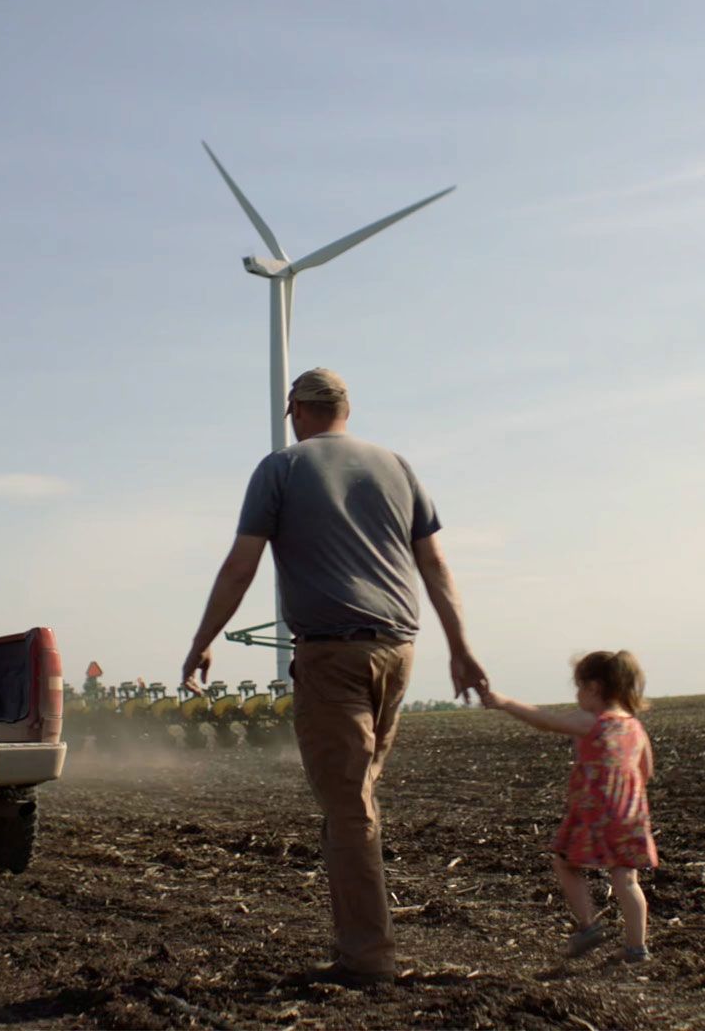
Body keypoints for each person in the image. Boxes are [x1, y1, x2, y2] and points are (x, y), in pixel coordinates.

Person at [181, 367, 487, 984]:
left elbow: (241, 565)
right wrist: (461, 647)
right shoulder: (397, 466)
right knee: (357, 795)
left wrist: (203, 641)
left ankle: (367, 959)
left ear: (295, 409)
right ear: (347, 408)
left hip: (331, 656)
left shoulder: (281, 468)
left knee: (348, 807)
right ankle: (362, 937)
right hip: (399, 651)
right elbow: (435, 563)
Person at [482, 650, 658, 964]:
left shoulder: (592, 721)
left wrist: (504, 702)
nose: (576, 695)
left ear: (594, 688)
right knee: (627, 880)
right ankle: (636, 948)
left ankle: (588, 926)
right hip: (630, 815)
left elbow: (546, 721)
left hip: (593, 812)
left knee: (565, 863)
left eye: (578, 688)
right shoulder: (635, 727)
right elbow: (646, 770)